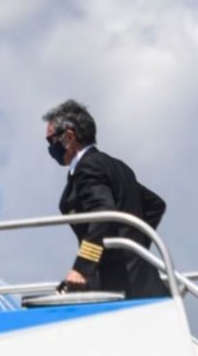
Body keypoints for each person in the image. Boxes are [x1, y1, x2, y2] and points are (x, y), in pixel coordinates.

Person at [43, 99, 169, 300]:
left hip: (118, 288)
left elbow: (102, 216)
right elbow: (154, 205)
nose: (50, 148)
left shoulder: (88, 168)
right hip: (142, 282)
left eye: (51, 141)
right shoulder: (116, 166)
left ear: (69, 137)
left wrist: (82, 268)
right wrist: (134, 247)